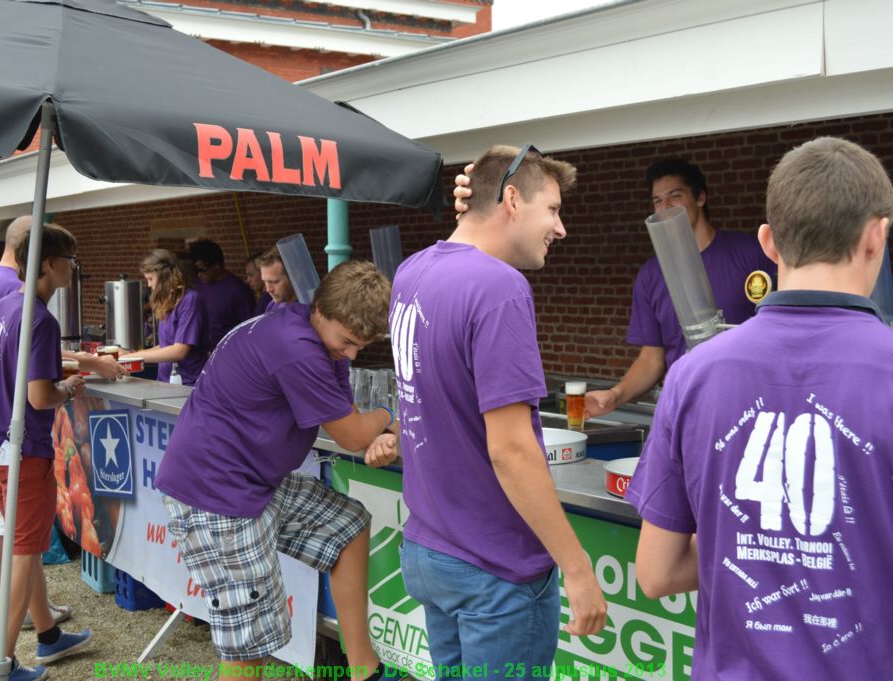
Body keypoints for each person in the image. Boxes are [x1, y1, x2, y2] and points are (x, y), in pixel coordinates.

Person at [627, 137, 893, 678]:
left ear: (768, 243)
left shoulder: (693, 375)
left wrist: (752, 540)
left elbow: (655, 573)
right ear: (877, 237)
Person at [382, 145, 606, 680]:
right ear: (510, 199)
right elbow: (509, 450)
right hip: (496, 565)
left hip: (430, 549)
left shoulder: (412, 271)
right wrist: (576, 568)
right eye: (552, 209)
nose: (560, 227)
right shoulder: (500, 287)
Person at [154, 260, 400, 681]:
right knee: (250, 643)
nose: (353, 353)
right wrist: (388, 415)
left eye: (363, 345)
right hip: (215, 494)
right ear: (321, 309)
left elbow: (350, 418)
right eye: (349, 341)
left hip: (252, 482)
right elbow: (353, 434)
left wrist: (372, 425)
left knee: (348, 525)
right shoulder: (296, 346)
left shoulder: (318, 338)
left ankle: (363, 670)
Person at [455, 157, 777, 416]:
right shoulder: (652, 275)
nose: (664, 207)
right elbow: (653, 358)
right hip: (686, 408)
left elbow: (779, 331)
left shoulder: (751, 254)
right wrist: (614, 395)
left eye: (674, 196)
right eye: (657, 200)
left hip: (749, 405)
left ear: (701, 197)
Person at [0, 223, 93, 681]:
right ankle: (2, 664)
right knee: (25, 549)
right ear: (47, 264)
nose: (72, 269)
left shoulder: (2, 307)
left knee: (28, 544)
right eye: (69, 260)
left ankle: (49, 636)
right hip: (18, 450)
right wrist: (70, 385)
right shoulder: (41, 318)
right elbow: (41, 397)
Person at [127, 249, 210, 386]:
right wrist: (133, 355)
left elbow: (179, 351)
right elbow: (166, 346)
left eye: (150, 279)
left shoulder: (190, 300)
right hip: (165, 382)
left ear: (164, 277)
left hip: (188, 384)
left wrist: (131, 357)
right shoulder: (169, 303)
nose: (149, 285)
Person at [190, 238, 255, 350]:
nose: (199, 275)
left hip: (228, 353)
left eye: (202, 269)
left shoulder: (238, 290)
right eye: (196, 270)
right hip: (201, 354)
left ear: (217, 265)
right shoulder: (197, 285)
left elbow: (250, 329)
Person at [256, 245, 297, 311]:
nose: (268, 289)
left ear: (296, 275)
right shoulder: (272, 305)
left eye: (274, 282)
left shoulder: (312, 309)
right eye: (265, 282)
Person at [245, 251, 270, 316]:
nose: (248, 280)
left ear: (263, 272)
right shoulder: (265, 298)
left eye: (251, 275)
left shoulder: (268, 299)